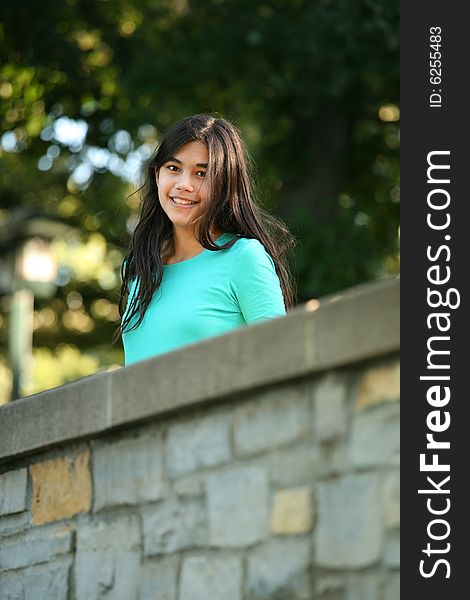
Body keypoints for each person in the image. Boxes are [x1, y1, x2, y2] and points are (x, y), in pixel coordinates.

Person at [113, 114, 296, 365]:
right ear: (157, 175)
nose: (184, 185)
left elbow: (281, 363)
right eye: (174, 168)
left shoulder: (244, 258)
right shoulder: (139, 269)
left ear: (224, 184)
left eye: (201, 174)